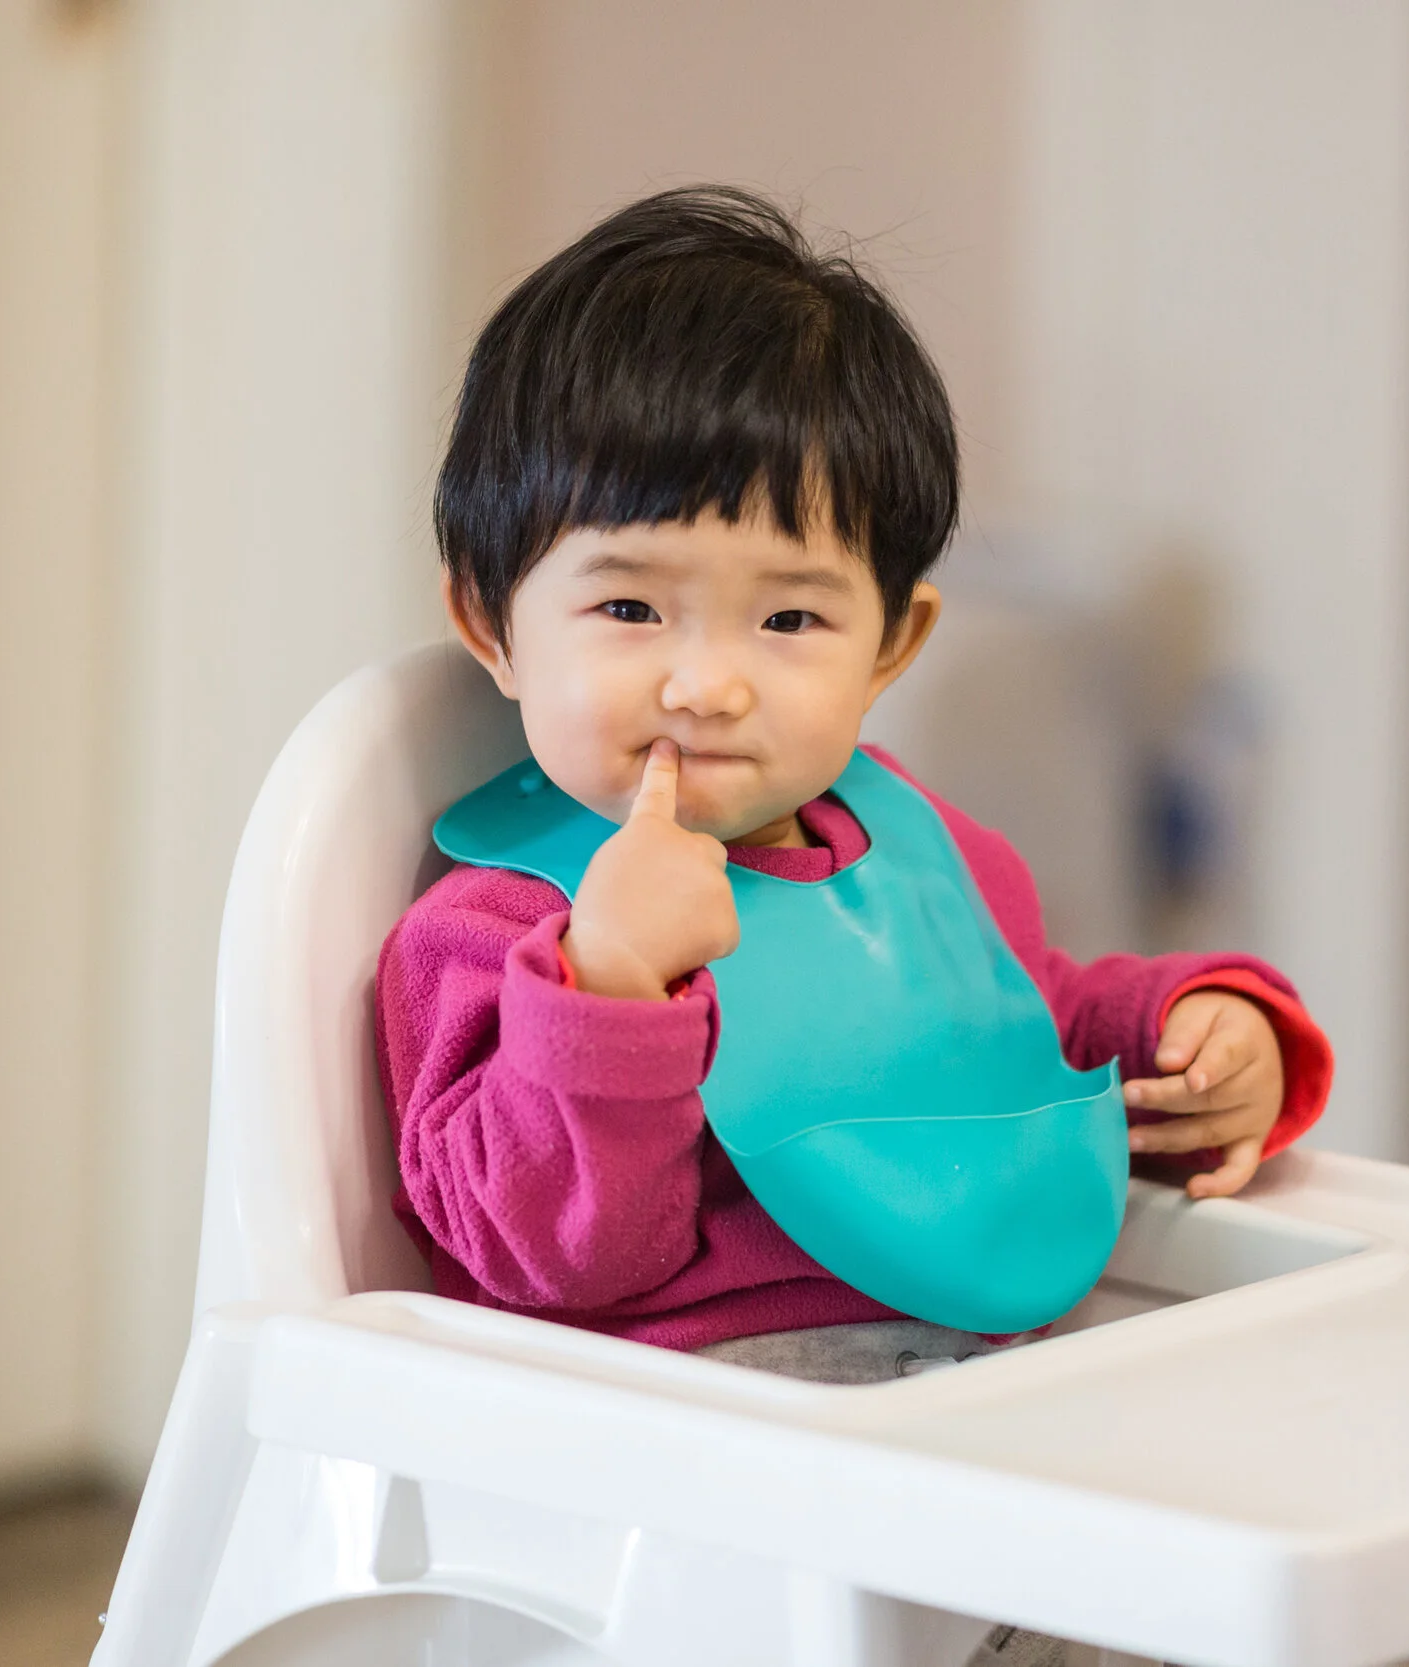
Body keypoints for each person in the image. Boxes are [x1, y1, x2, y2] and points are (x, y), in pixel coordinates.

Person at [375, 185, 1334, 1389]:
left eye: (788, 618)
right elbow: (548, 1258)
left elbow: (1012, 1028)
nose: (708, 685)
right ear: (489, 621)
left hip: (972, 1392)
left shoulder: (917, 847)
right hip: (702, 1435)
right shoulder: (490, 931)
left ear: (891, 644)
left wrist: (1191, 1040)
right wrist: (609, 988)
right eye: (628, 606)